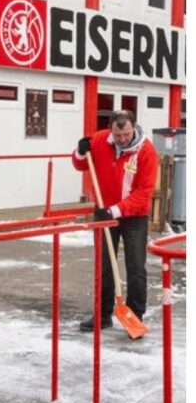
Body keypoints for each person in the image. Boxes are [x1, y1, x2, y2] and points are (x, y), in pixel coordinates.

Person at [72, 109, 157, 331]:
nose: (122, 140)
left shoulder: (146, 151)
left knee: (136, 265)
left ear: (134, 128)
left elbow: (144, 193)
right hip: (103, 211)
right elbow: (80, 164)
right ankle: (102, 314)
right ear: (111, 129)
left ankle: (135, 315)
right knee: (104, 265)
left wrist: (116, 210)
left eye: (126, 135)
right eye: (118, 135)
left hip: (133, 216)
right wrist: (80, 152)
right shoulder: (100, 139)